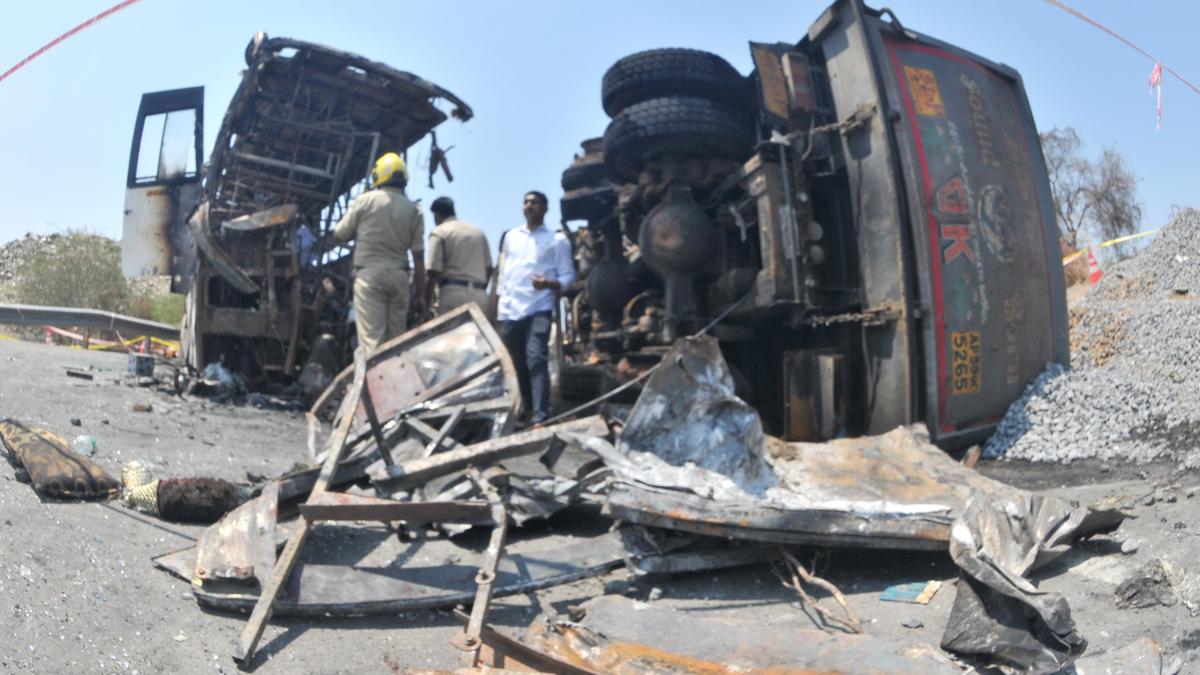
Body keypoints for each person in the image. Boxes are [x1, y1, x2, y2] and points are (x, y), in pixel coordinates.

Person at [331, 152, 426, 353]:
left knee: (371, 344)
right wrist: (422, 296)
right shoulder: (414, 211)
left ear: (378, 176)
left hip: (369, 277)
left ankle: (371, 384)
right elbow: (418, 256)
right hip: (400, 279)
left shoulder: (365, 201)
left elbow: (340, 233)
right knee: (396, 345)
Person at [495, 191, 575, 424]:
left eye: (535, 202)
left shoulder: (556, 240)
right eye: (526, 202)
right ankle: (525, 410)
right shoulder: (511, 237)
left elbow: (568, 275)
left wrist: (550, 284)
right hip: (511, 309)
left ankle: (541, 414)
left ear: (545, 209)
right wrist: (499, 305)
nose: (529, 206)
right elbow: (504, 274)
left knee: (536, 359)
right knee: (515, 362)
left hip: (539, 307)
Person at [425, 196, 492, 316]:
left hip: (452, 294)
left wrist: (426, 302)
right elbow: (489, 268)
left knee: (450, 335)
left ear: (436, 215)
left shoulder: (439, 231)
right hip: (480, 295)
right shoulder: (478, 233)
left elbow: (433, 271)